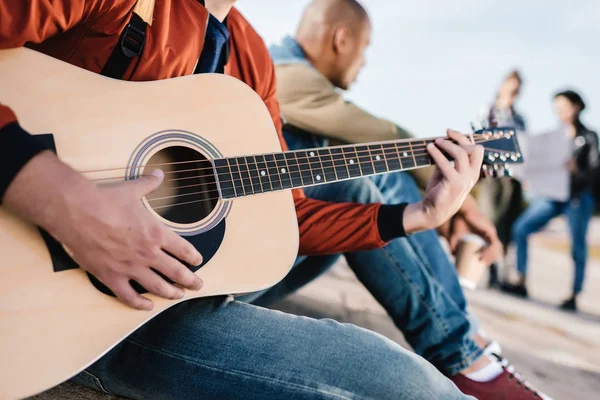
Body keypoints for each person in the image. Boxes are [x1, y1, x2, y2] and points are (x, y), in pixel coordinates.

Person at [1, 0, 488, 398]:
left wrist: (421, 215)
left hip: (160, 309)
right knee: (404, 386)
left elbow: (289, 214)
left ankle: (470, 363)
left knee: (404, 381)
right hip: (52, 315)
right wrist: (62, 199)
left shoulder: (249, 53)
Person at [268, 1, 548, 399]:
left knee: (364, 172)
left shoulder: (280, 70)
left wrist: (442, 204)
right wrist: (461, 203)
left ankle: (469, 344)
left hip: (273, 246)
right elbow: (379, 133)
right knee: (374, 176)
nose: (364, 64)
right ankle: (465, 355)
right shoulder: (283, 71)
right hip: (233, 266)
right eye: (365, 50)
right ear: (341, 38)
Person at [502, 90, 598, 312]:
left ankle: (574, 295)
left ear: (576, 107)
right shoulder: (552, 136)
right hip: (551, 194)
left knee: (578, 247)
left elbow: (594, 171)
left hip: (576, 197)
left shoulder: (589, 136)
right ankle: (521, 280)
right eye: (557, 108)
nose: (560, 113)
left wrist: (577, 171)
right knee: (521, 229)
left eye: (564, 107)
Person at [475, 70, 528, 287]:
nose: (513, 93)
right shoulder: (488, 110)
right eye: (511, 87)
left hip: (512, 176)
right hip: (491, 173)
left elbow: (524, 146)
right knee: (488, 219)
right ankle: (486, 267)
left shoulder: (520, 118)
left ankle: (499, 268)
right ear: (502, 86)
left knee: (506, 223)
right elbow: (482, 138)